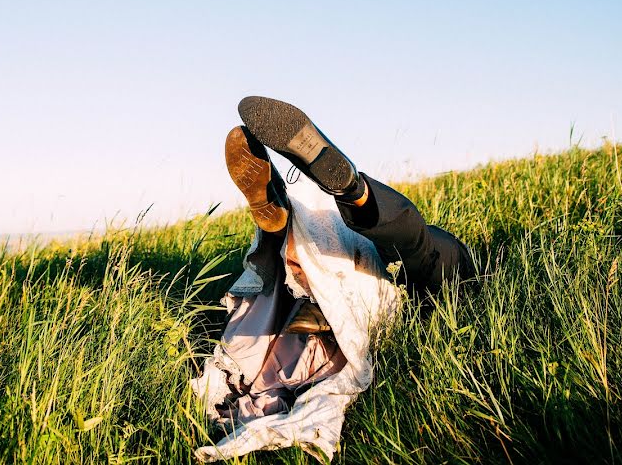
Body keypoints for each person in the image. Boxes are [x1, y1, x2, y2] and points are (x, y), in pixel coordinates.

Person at [190, 96, 476, 462]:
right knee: (425, 256)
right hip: (424, 282)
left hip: (371, 263)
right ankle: (338, 200)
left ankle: (327, 203)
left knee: (406, 250)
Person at [226, 95, 476, 332]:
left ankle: (344, 196)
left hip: (376, 279)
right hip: (413, 296)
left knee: (414, 250)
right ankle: (343, 196)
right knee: (423, 256)